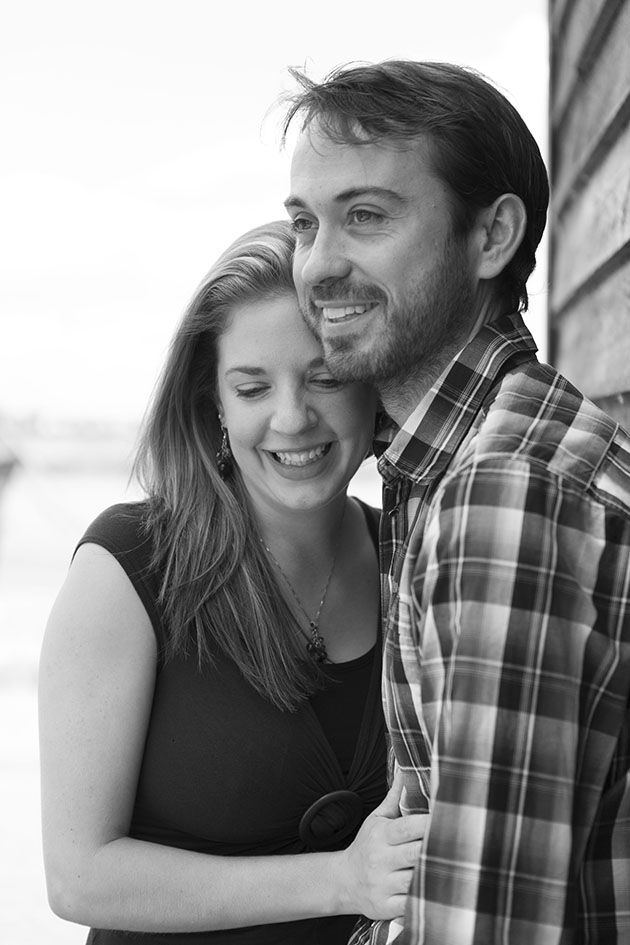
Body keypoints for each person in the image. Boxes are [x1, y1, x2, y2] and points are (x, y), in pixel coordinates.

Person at [282, 60, 630, 944]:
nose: (319, 264)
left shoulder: (507, 492)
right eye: (304, 224)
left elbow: (486, 923)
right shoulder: (445, 464)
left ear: (491, 236)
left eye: (365, 216)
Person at [38, 220, 428, 945]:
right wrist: (340, 877)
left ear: (372, 385)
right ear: (213, 404)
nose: (291, 417)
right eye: (252, 387)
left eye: (325, 377)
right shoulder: (127, 568)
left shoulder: (412, 557)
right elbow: (78, 874)